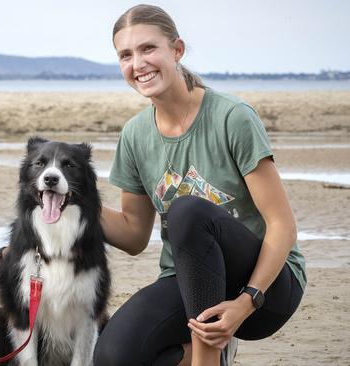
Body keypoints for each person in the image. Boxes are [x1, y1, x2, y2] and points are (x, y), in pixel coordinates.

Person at [94, 4, 306, 366]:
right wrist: (75, 202)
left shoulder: (232, 117)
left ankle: (207, 359)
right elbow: (133, 235)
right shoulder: (134, 135)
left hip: (265, 288)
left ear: (176, 50)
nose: (138, 63)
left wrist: (246, 301)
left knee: (188, 210)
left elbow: (282, 226)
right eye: (125, 55)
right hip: (186, 281)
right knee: (114, 357)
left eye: (148, 49)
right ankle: (205, 353)